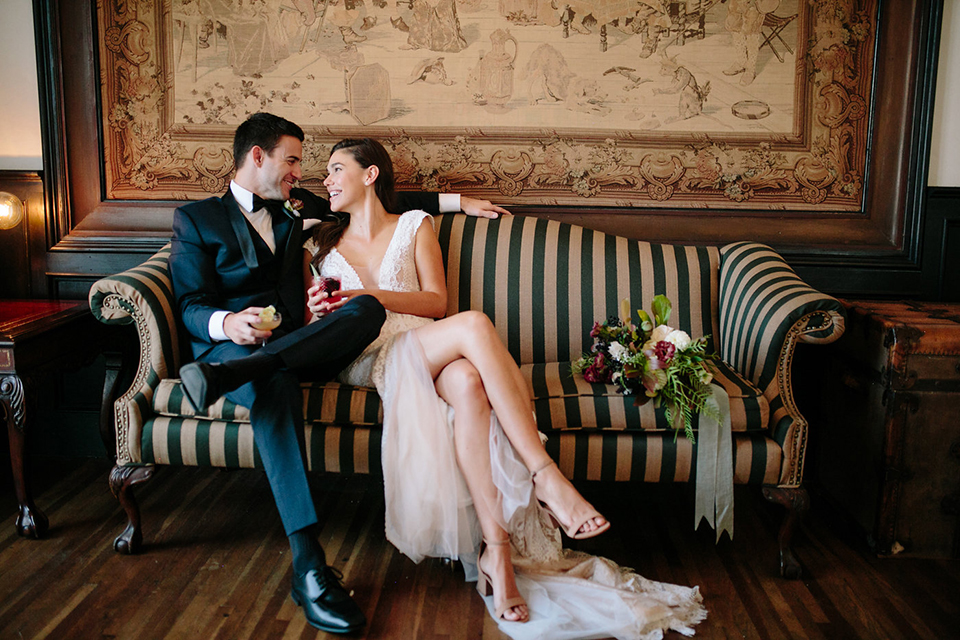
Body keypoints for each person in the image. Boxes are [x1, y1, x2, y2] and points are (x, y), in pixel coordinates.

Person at [304, 138, 707, 636]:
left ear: (369, 175)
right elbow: (310, 316)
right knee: (473, 324)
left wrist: (370, 292)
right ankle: (545, 475)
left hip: (425, 341)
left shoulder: (413, 226)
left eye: (336, 168)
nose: (325, 180)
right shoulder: (316, 239)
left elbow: (433, 301)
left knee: (471, 382)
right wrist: (322, 309)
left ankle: (497, 551)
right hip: (369, 356)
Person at [169, 112, 508, 635]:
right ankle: (309, 568)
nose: (299, 173)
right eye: (293, 160)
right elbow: (190, 302)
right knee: (272, 383)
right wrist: (227, 322)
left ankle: (251, 369)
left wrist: (456, 203)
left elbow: (387, 201)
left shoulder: (292, 211)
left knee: (367, 308)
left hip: (296, 345)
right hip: (231, 351)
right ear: (257, 157)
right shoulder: (195, 219)